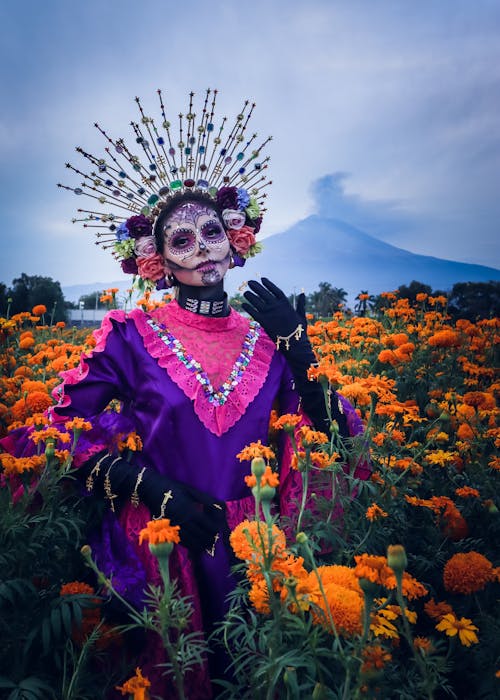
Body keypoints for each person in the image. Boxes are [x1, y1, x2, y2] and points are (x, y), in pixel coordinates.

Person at [5, 91, 370, 698]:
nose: (201, 248)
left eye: (210, 232)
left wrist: (299, 351)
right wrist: (149, 486)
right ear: (158, 262)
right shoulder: (130, 336)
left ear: (235, 240)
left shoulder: (267, 338)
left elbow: (336, 439)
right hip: (168, 542)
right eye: (181, 241)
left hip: (260, 551)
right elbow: (58, 426)